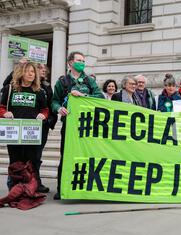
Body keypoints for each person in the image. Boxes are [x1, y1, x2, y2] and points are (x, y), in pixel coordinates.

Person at [51, 51, 104, 200]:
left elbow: (99, 96)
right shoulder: (62, 82)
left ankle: (84, 187)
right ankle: (62, 188)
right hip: (69, 126)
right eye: (79, 60)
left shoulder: (89, 81)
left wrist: (84, 97)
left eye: (83, 60)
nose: (82, 62)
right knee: (66, 156)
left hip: (87, 126)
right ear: (70, 63)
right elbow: (54, 101)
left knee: (86, 156)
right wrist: (59, 109)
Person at [0, 62, 49, 193]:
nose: (31, 74)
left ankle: (28, 190)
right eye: (28, 71)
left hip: (31, 134)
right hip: (14, 133)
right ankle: (14, 190)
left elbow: (45, 110)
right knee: (15, 161)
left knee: (30, 162)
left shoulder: (39, 91)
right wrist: (4, 113)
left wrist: (42, 115)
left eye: (33, 72)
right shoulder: (10, 89)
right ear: (21, 72)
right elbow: (1, 107)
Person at [35, 64, 57, 193]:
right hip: (26, 124)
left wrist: (50, 121)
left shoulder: (47, 87)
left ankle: (36, 182)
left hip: (42, 125)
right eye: (39, 68)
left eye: (45, 69)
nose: (43, 70)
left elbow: (51, 104)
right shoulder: (23, 84)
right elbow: (6, 84)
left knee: (37, 155)